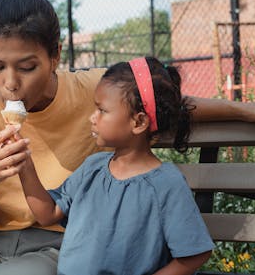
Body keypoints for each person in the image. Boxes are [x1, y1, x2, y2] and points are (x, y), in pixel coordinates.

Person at [0, 0, 255, 275]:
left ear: (55, 57)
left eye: (26, 66)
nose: (10, 83)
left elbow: (160, 100)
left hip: (59, 247)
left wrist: (243, 108)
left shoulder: (93, 91)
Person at [17, 56, 215, 275]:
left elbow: (195, 254)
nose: (92, 118)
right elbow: (47, 214)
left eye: (102, 110)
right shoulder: (93, 167)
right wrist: (25, 167)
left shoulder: (166, 184)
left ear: (138, 122)